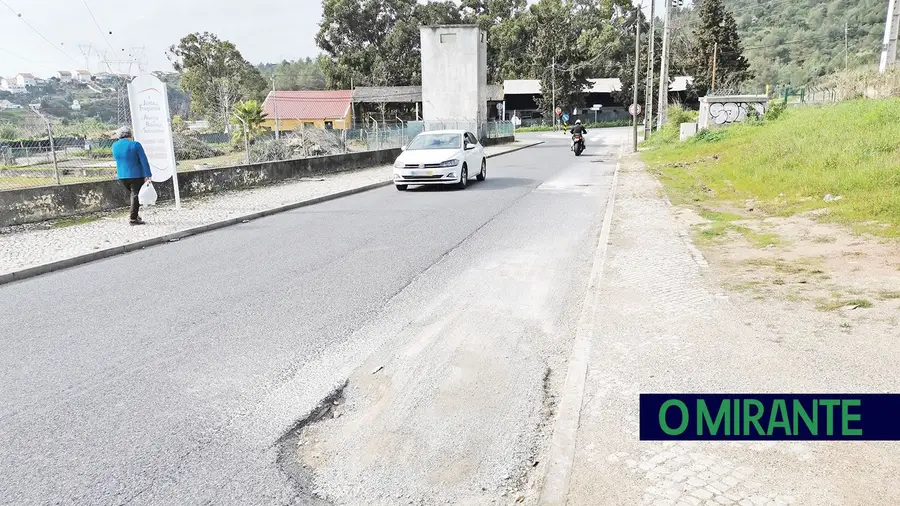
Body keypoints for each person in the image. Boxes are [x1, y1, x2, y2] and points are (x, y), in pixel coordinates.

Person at [112, 126, 152, 225]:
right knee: (136, 195)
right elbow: (144, 160)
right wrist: (148, 173)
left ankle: (135, 215)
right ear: (130, 135)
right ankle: (133, 218)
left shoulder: (115, 145)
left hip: (122, 175)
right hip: (136, 174)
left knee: (133, 195)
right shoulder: (135, 144)